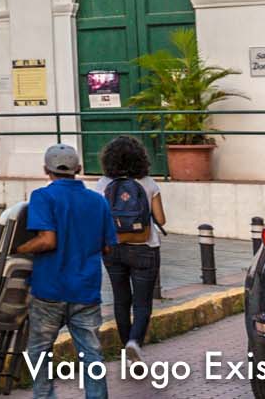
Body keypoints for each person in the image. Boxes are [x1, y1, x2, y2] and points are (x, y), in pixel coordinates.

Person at [19, 143, 117, 399]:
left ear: (46, 169)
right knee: (91, 353)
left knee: (39, 351)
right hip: (86, 289)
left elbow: (47, 240)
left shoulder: (43, 196)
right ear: (79, 169)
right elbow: (108, 247)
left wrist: (19, 249)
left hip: (49, 288)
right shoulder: (98, 201)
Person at [93, 135, 165, 367]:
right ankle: (135, 342)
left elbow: (100, 217)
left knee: (121, 300)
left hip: (113, 248)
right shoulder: (148, 183)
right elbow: (161, 218)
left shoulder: (103, 184)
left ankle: (126, 348)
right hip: (144, 248)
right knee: (142, 303)